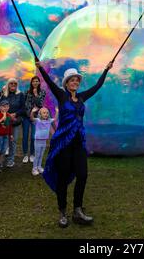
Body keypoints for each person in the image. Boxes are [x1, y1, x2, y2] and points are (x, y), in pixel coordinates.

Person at [36, 60, 113, 228]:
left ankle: (78, 210)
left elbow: (97, 86)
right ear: (66, 83)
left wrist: (106, 70)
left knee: (83, 175)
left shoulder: (81, 97)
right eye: (72, 80)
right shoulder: (61, 96)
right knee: (62, 179)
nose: (75, 82)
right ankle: (62, 212)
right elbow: (48, 81)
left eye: (77, 80)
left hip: (79, 142)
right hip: (64, 144)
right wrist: (40, 67)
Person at [0, 78, 25, 167]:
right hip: (6, 120)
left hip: (16, 120)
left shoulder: (21, 94)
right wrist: (6, 114)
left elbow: (23, 108)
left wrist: (15, 114)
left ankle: (10, 160)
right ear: (8, 84)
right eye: (11, 83)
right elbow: (1, 106)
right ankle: (1, 160)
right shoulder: (4, 95)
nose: (13, 85)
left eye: (15, 83)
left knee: (13, 141)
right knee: (4, 140)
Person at [22, 76, 46, 164]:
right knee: (25, 135)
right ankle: (25, 154)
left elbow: (40, 104)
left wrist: (36, 94)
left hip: (36, 118)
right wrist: (25, 112)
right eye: (33, 81)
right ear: (31, 83)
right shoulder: (27, 92)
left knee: (33, 136)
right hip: (26, 117)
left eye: (37, 81)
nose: (35, 83)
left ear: (39, 82)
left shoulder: (42, 92)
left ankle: (32, 154)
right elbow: (24, 103)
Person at [30, 106, 58, 176]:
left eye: (47, 113)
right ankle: (34, 168)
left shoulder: (49, 121)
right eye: (44, 113)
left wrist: (57, 111)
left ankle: (39, 167)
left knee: (41, 155)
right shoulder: (38, 120)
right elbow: (31, 118)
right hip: (37, 141)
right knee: (37, 155)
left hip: (44, 141)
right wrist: (32, 112)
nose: (46, 114)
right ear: (40, 114)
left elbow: (55, 119)